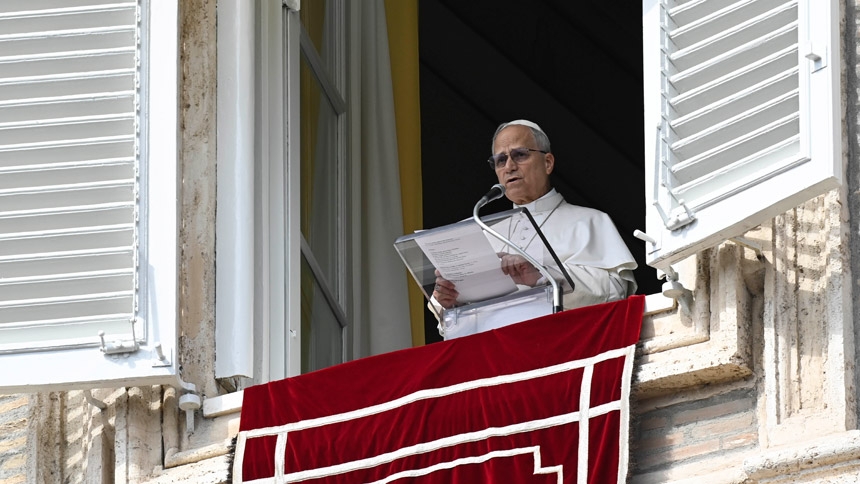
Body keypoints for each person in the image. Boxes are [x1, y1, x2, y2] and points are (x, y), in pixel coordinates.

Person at [431, 119, 637, 312]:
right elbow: (447, 317)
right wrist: (448, 301)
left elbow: (615, 292)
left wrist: (542, 275)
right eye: (500, 160)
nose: (509, 166)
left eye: (520, 154)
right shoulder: (480, 230)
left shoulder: (590, 221)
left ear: (548, 162)